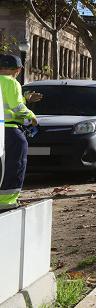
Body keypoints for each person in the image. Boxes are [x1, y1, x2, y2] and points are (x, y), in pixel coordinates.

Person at [0, 55, 39, 211]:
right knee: (14, 166)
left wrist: (25, 99)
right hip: (10, 132)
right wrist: (32, 116)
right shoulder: (12, 82)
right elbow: (16, 108)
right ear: (19, 69)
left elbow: (5, 102)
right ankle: (7, 202)